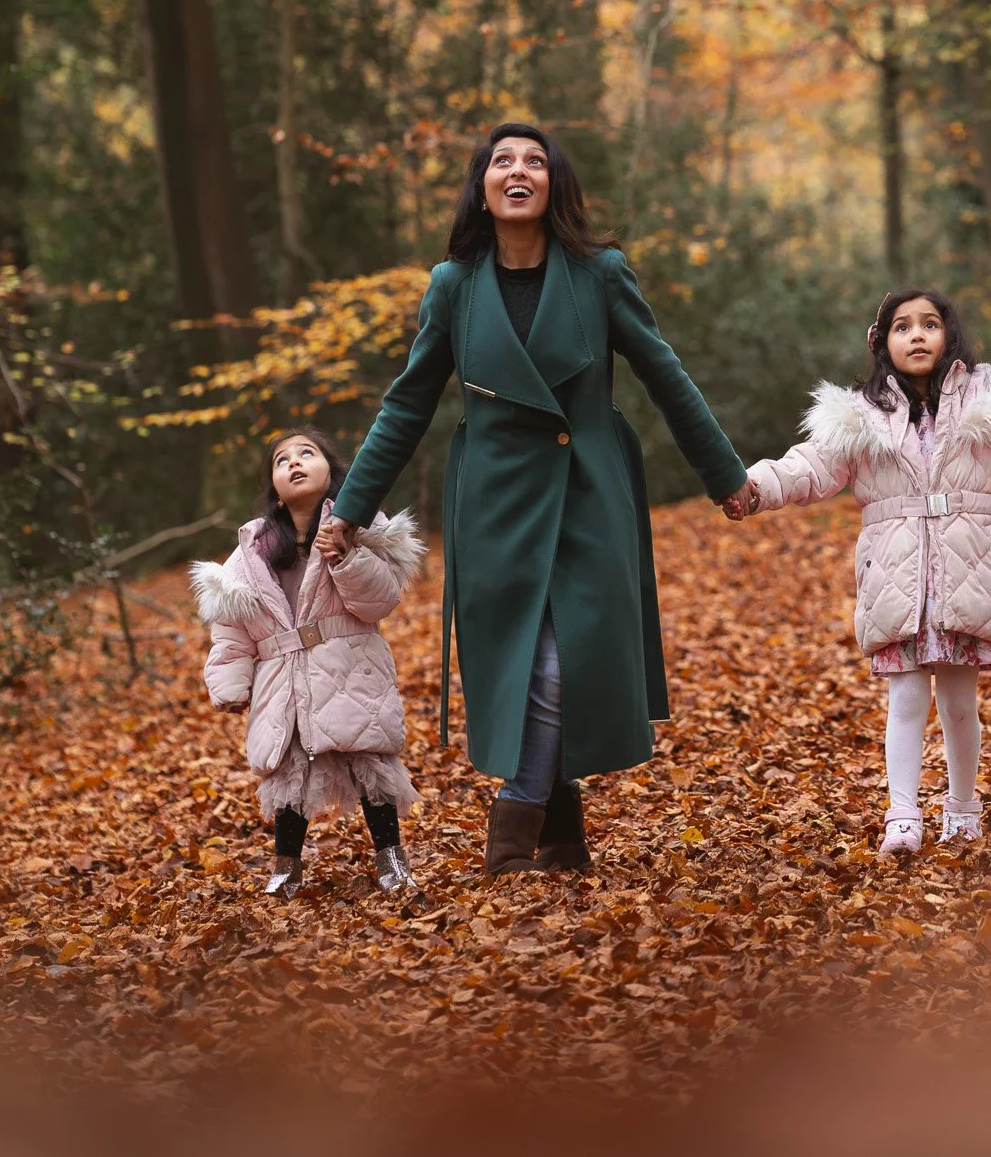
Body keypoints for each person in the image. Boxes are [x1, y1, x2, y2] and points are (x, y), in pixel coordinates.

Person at [320, 123, 752, 876]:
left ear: (555, 185)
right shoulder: (453, 285)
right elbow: (408, 403)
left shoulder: (601, 274)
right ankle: (562, 835)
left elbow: (665, 374)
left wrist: (725, 474)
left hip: (588, 492)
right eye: (502, 161)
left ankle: (514, 825)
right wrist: (350, 509)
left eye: (536, 161)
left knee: (560, 663)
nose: (519, 170)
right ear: (482, 187)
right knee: (524, 662)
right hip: (494, 504)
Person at [729, 290, 991, 856]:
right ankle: (903, 812)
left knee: (960, 703)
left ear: (950, 337)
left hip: (967, 573)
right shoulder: (860, 419)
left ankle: (964, 807)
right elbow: (809, 466)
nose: (917, 335)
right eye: (902, 327)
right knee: (908, 698)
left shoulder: (987, 406)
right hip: (899, 579)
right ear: (882, 343)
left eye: (930, 324)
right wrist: (754, 486)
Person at [192, 427, 426, 896]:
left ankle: (391, 859)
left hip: (350, 663)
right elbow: (232, 625)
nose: (294, 463)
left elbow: (379, 601)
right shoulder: (253, 550)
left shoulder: (360, 528)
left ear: (333, 472)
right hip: (283, 675)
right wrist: (230, 683)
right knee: (288, 771)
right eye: (282, 460)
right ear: (274, 489)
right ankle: (286, 867)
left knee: (370, 762)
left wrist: (345, 557)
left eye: (307, 453)